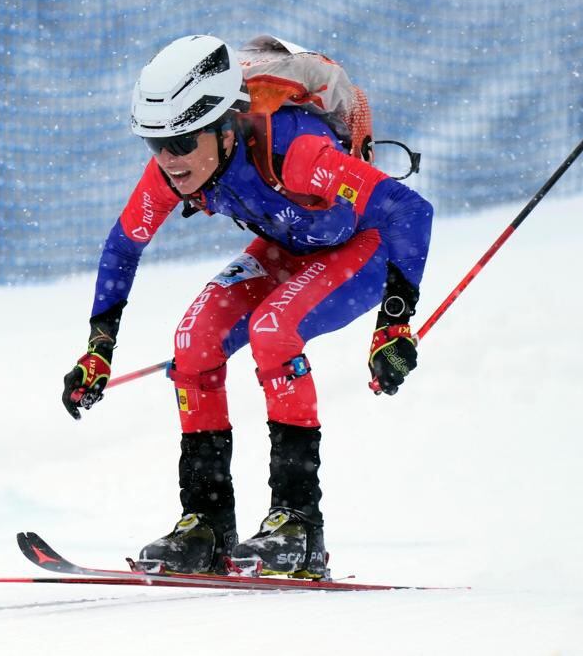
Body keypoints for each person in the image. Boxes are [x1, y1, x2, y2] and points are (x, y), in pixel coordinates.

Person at [62, 34, 433, 578]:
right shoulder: (176, 167)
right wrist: (98, 351)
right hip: (288, 248)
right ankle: (207, 524)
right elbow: (124, 247)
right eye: (154, 143)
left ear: (223, 125)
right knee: (193, 341)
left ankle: (298, 526)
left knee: (274, 328)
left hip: (363, 247)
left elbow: (408, 211)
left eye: (184, 141)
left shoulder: (298, 153)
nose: (169, 159)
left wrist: (394, 326)